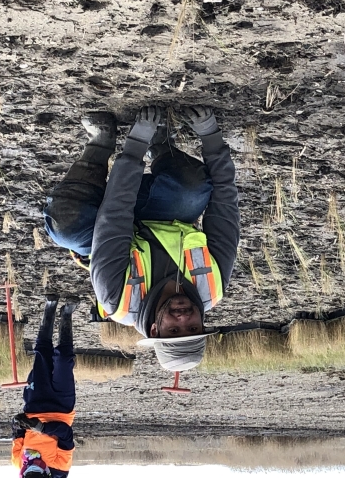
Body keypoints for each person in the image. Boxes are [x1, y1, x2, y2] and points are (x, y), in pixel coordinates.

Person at [44, 105, 240, 372]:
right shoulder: (213, 286)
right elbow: (225, 207)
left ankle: (100, 145)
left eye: (174, 331)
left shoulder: (117, 301)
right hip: (164, 214)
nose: (183, 318)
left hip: (104, 230)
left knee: (66, 226)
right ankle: (160, 145)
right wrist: (211, 139)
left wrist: (135, 144)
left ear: (155, 329)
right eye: (193, 327)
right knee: (192, 189)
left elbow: (114, 215)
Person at [11, 295, 79, 478]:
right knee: (64, 360)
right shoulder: (60, 469)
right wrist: (42, 429)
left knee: (42, 355)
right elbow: (66, 434)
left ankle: (49, 309)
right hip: (62, 408)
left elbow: (17, 432)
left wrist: (18, 422)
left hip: (35, 403)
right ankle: (67, 315)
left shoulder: (18, 462)